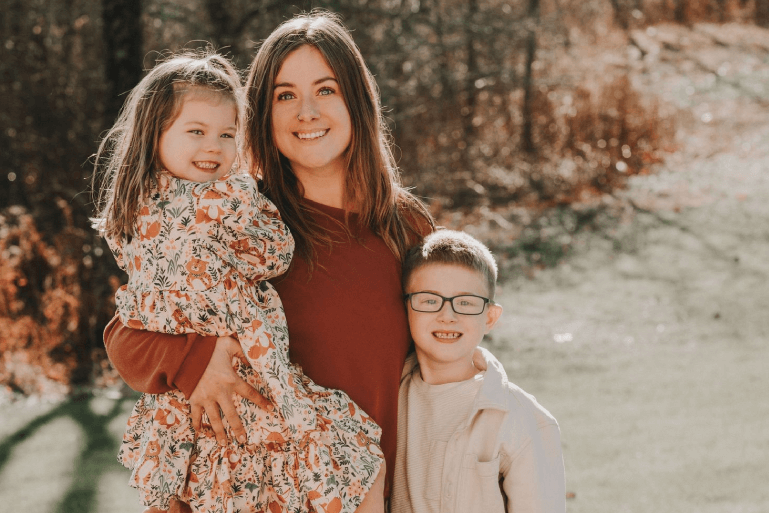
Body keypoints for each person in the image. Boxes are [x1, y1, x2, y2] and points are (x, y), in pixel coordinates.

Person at [101, 11, 434, 512]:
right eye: (284, 95)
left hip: (367, 489)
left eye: (326, 90)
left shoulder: (404, 226)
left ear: (357, 100)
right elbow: (126, 335)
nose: (307, 112)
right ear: (259, 112)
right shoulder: (239, 220)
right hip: (251, 489)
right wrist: (194, 363)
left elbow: (452, 344)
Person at [391, 230, 566, 513]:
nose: (447, 315)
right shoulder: (387, 396)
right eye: (429, 300)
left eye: (466, 302)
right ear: (405, 308)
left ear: (490, 317)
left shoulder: (525, 421)